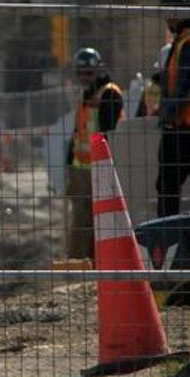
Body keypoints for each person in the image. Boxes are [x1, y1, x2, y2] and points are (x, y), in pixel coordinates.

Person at [65, 48, 124, 259]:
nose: (83, 77)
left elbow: (109, 133)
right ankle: (86, 263)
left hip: (100, 169)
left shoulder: (109, 94)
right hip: (81, 170)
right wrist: (69, 162)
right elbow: (78, 131)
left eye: (88, 73)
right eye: (80, 73)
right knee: (83, 221)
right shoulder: (87, 94)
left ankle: (81, 263)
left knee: (91, 222)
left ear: (97, 70)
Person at [156, 0, 190, 217]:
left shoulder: (189, 44)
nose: (167, 19)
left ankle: (166, 241)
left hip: (183, 128)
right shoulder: (182, 42)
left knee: (168, 189)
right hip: (187, 127)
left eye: (169, 13)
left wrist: (166, 113)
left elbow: (186, 87)